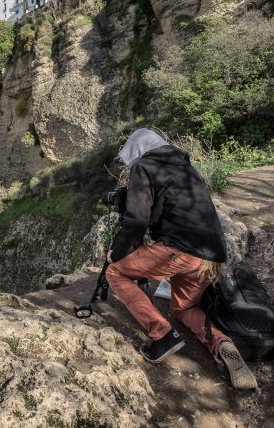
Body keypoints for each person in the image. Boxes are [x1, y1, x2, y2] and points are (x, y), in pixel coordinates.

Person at [105, 128, 257, 389]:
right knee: (184, 309)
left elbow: (137, 221)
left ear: (137, 152)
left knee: (116, 271)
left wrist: (116, 253)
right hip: (210, 256)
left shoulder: (144, 166)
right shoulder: (186, 167)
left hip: (181, 251)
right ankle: (222, 343)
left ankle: (162, 335)